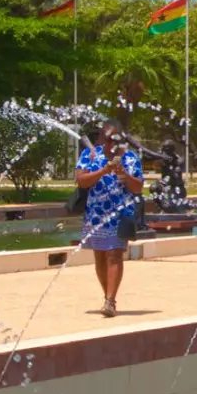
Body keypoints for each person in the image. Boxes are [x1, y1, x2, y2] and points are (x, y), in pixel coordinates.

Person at [76, 122, 143, 317]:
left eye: (117, 140)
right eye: (108, 139)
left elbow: (138, 187)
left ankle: (110, 301)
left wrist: (124, 174)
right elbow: (81, 181)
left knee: (114, 254)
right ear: (101, 139)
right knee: (100, 256)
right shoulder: (90, 155)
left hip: (121, 214)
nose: (113, 144)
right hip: (96, 215)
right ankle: (108, 296)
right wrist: (103, 171)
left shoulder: (130, 158)